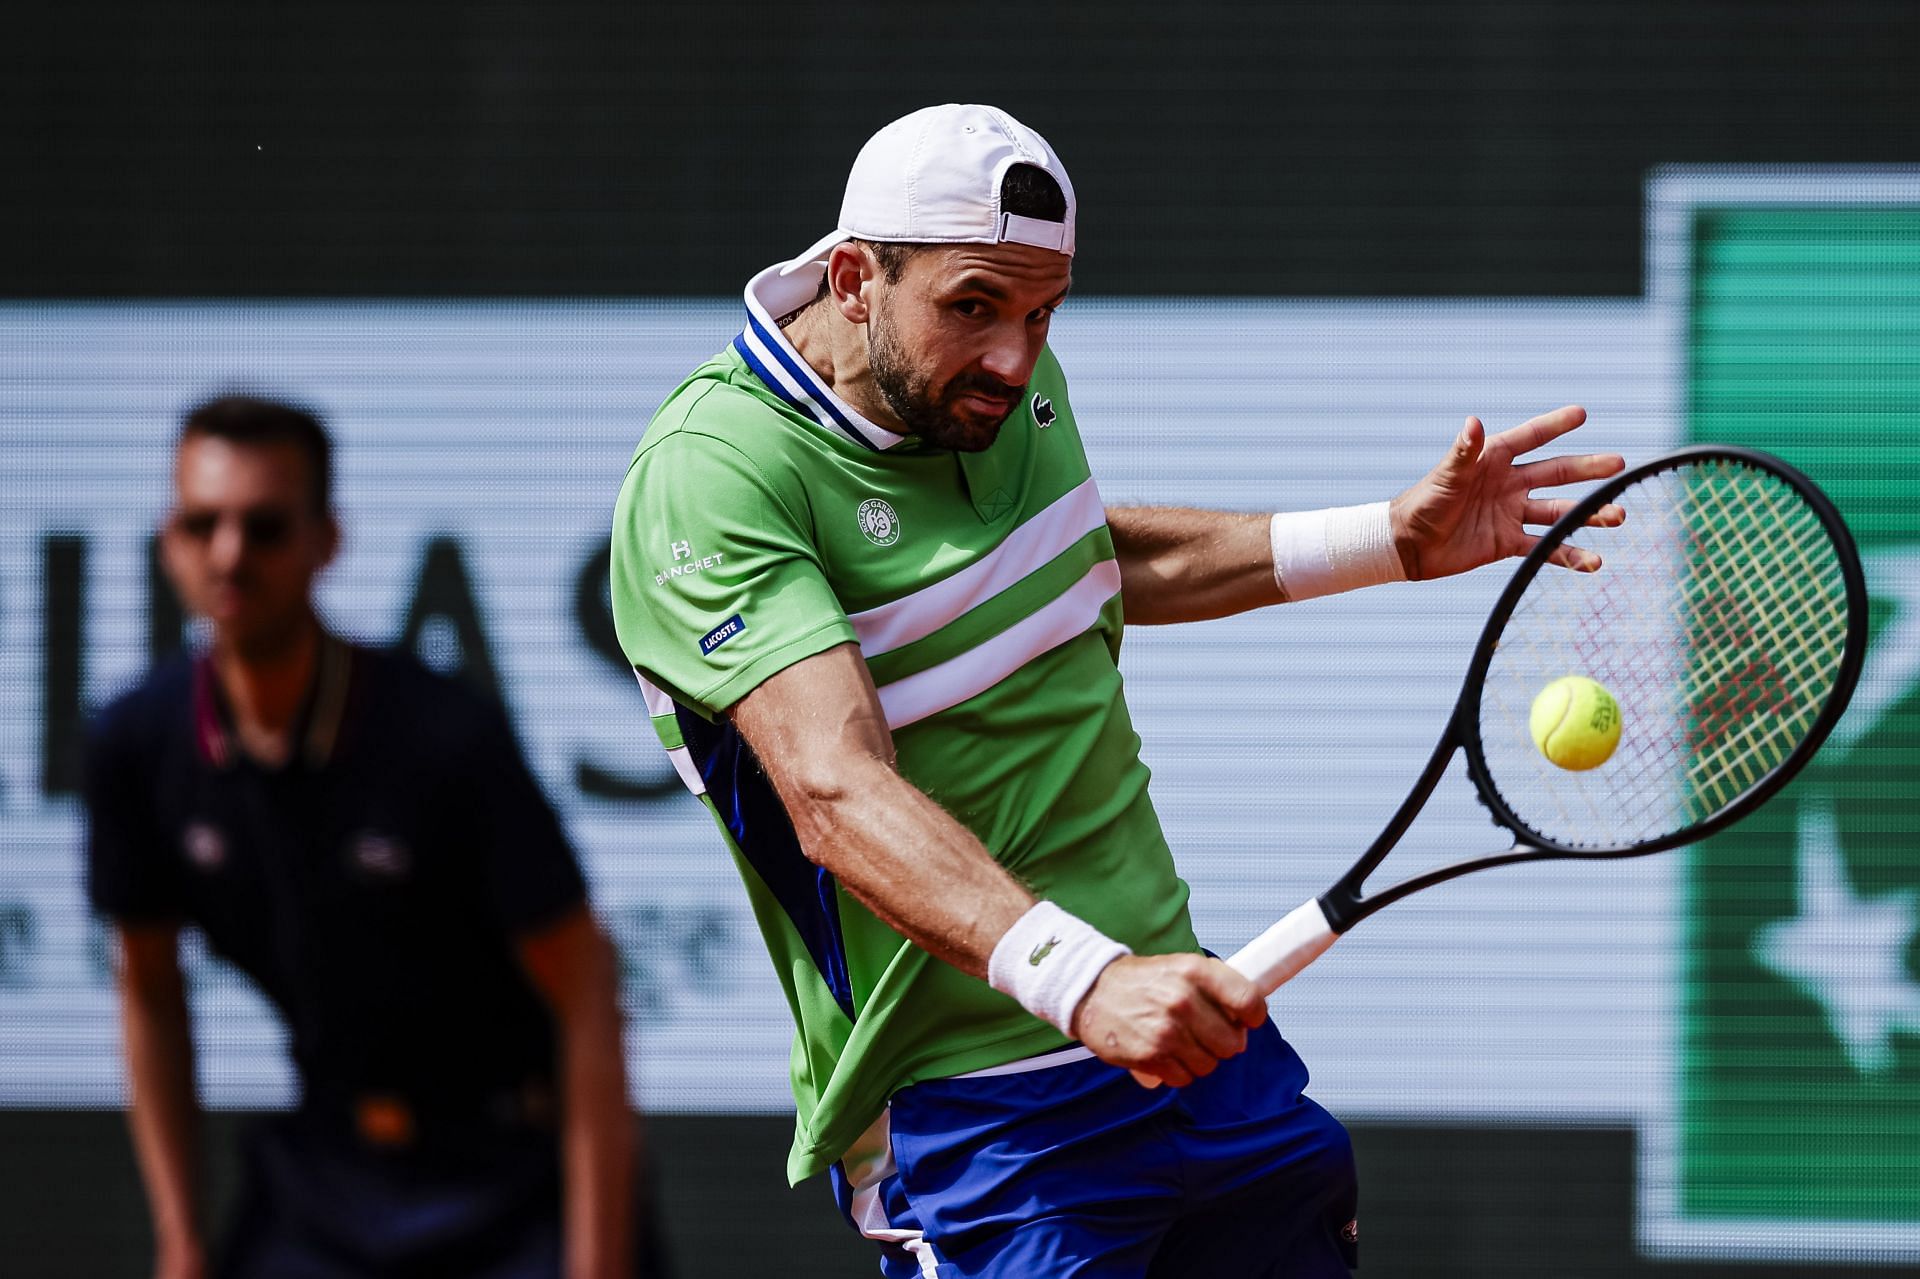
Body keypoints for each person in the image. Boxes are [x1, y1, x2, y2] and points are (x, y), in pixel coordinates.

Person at [608, 104, 1624, 1277]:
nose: (1015, 357)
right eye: (974, 305)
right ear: (851, 278)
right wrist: (1081, 982)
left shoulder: (993, 382)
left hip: (1187, 1038)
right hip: (980, 1111)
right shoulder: (714, 474)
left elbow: (1084, 559)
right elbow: (833, 791)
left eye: (1044, 314)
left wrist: (1385, 538)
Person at [85, 395, 657, 1279]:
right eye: (203, 524)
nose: (230, 555)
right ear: (169, 540)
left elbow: (585, 988)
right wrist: (180, 1241)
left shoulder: (441, 735)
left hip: (509, 1175)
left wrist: (596, 1264)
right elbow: (150, 991)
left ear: (327, 541)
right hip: (326, 1177)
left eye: (265, 527)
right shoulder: (134, 744)